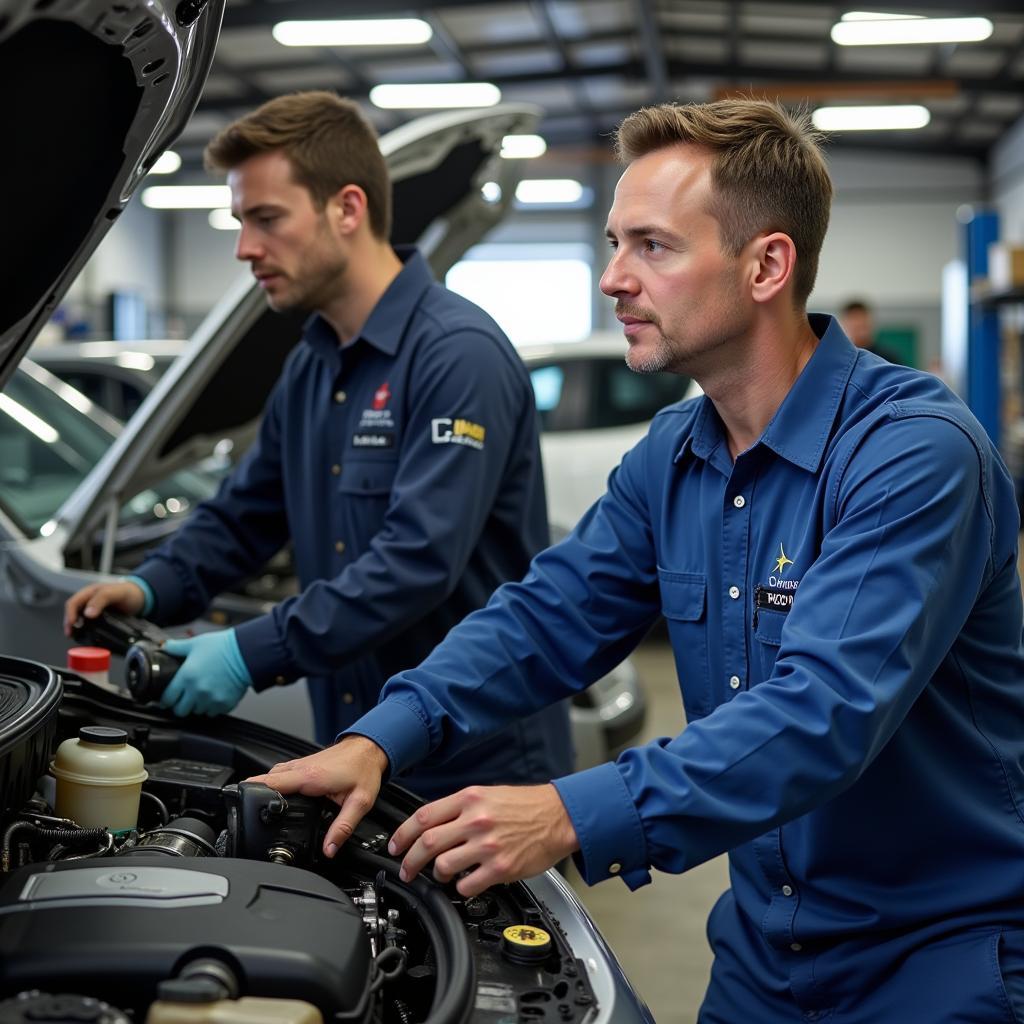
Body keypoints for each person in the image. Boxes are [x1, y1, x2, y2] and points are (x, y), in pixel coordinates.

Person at [249, 98, 1024, 1022]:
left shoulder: (912, 453)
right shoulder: (674, 453)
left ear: (767, 264)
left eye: (651, 246)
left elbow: (823, 713)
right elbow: (547, 616)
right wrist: (381, 736)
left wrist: (568, 812)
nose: (614, 277)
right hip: (762, 953)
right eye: (615, 243)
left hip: (937, 959)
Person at [64, 90, 572, 801]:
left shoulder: (457, 356)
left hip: (471, 762)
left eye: (267, 219)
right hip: (351, 739)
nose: (244, 248)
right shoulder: (312, 364)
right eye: (242, 221)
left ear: (348, 209)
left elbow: (416, 561)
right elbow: (245, 512)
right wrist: (155, 582)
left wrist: (251, 650)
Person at [838, 298, 902, 362]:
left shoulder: (887, 357)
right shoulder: (841, 357)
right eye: (854, 319)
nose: (859, 322)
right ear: (844, 323)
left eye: (863, 322)